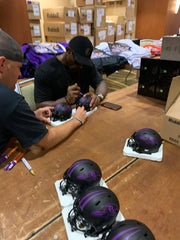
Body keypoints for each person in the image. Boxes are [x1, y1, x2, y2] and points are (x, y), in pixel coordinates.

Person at [0, 29, 87, 154]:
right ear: (2, 64)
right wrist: (77, 119)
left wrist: (31, 117)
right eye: (18, 67)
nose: (19, 73)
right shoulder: (9, 100)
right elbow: (47, 141)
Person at [34, 36, 107, 110]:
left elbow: (101, 83)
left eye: (83, 63)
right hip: (59, 116)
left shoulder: (86, 65)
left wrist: (98, 97)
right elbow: (40, 105)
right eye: (77, 62)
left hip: (83, 111)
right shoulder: (45, 70)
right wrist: (66, 100)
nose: (81, 66)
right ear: (68, 50)